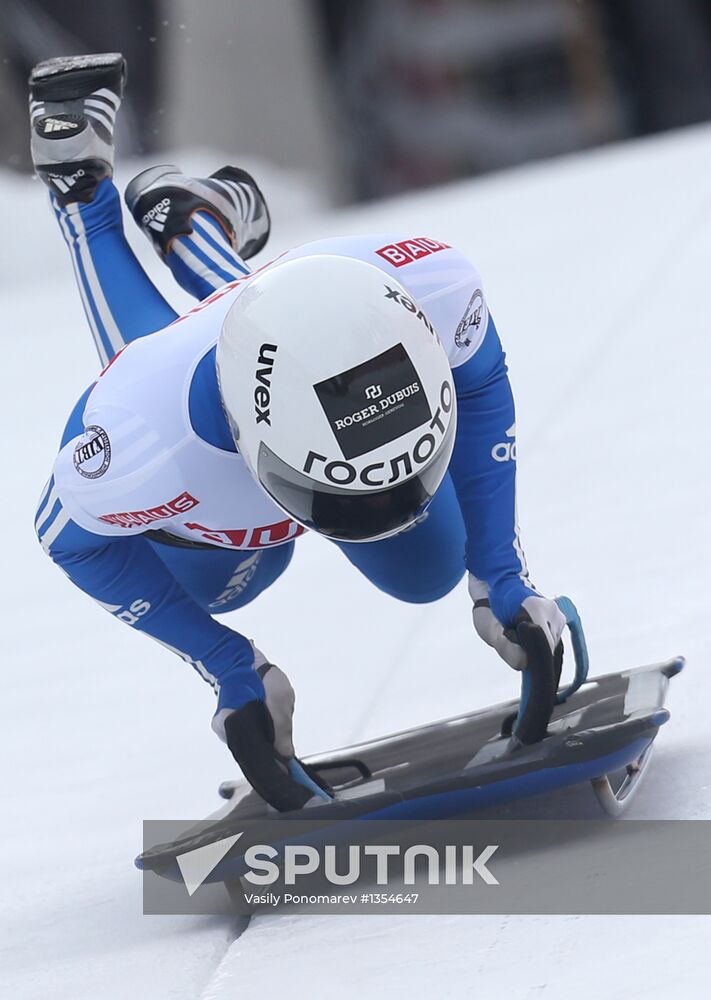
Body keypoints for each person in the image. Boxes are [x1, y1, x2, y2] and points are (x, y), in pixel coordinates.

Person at [32, 54, 566, 811]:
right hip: (166, 415)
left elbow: (477, 385)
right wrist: (226, 662)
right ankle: (82, 191)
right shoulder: (136, 440)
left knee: (428, 568)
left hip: (308, 317)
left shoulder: (435, 286)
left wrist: (499, 573)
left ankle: (195, 230)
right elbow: (66, 539)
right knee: (226, 577)